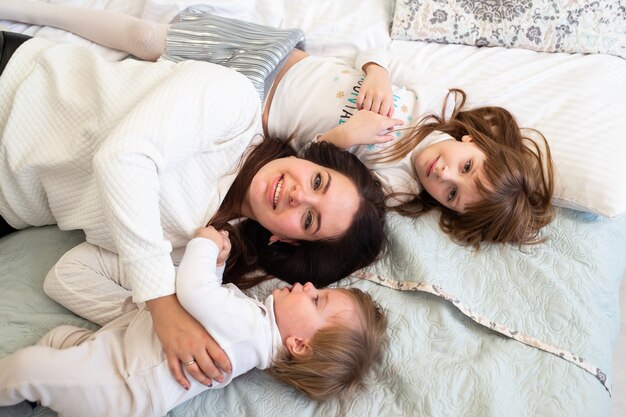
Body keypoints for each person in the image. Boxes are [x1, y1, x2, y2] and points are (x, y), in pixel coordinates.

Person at [0, 29, 386, 388]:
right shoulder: (234, 105)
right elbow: (121, 158)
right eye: (318, 180)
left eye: (308, 219)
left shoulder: (197, 255)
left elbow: (68, 275)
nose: (298, 195)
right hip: (13, 93)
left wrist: (154, 323)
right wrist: (162, 307)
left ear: (285, 239)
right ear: (310, 159)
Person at [0, 1, 555, 248]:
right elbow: (372, 45)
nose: (443, 175)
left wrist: (345, 139)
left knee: (149, 80)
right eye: (463, 166)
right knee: (147, 38)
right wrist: (378, 72)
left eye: (452, 194)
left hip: (256, 112)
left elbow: (314, 165)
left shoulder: (396, 186)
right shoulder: (426, 100)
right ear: (471, 140)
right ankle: (39, 12)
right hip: (281, 62)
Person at [0, 225, 388, 416]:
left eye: (317, 299)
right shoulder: (251, 333)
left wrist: (206, 244)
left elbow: (193, 292)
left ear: (298, 344)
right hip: (116, 358)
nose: (305, 285)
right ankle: (47, 389)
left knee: (26, 367)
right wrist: (218, 268)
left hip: (119, 384)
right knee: (61, 341)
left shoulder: (251, 330)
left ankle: (34, 384)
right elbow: (208, 308)